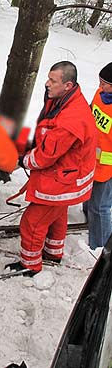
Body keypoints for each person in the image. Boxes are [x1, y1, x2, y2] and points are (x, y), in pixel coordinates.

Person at [8, 61, 96, 276]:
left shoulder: (70, 119)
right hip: (71, 175)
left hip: (62, 180)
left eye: (52, 80)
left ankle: (30, 264)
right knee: (57, 214)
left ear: (68, 85)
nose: (47, 84)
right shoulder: (65, 100)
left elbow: (46, 155)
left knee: (32, 223)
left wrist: (23, 161)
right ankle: (53, 253)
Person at [87, 62, 112, 249]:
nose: (100, 87)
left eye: (105, 84)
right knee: (90, 200)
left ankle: (101, 248)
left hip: (108, 168)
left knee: (100, 207)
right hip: (90, 160)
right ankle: (90, 222)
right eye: (100, 82)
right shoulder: (99, 95)